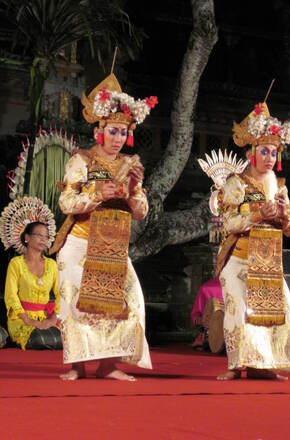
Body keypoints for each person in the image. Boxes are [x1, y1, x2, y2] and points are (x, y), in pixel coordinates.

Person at [50, 72, 158, 380]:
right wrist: (96, 194)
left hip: (113, 244)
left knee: (132, 300)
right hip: (80, 242)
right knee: (75, 303)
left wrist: (135, 192)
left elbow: (140, 213)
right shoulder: (81, 160)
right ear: (99, 130)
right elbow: (66, 203)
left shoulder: (130, 166)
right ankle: (76, 365)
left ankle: (109, 364)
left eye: (122, 133)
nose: (117, 139)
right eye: (112, 131)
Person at [215, 102, 290, 380]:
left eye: (273, 152)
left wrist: (286, 217)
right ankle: (235, 364)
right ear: (251, 152)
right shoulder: (236, 183)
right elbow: (227, 223)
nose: (268, 157)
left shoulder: (279, 186)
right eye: (264, 151)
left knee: (286, 310)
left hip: (268, 263)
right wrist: (256, 215)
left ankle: (264, 365)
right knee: (239, 307)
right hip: (238, 259)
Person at [0, 197, 61, 350]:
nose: (43, 239)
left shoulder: (52, 265)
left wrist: (52, 320)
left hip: (46, 318)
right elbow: (11, 296)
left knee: (61, 339)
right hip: (22, 319)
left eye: (46, 236)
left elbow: (61, 294)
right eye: (38, 235)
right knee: (39, 339)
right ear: (27, 238)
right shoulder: (16, 264)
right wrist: (29, 320)